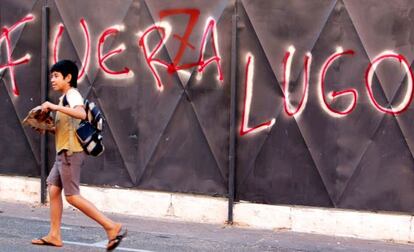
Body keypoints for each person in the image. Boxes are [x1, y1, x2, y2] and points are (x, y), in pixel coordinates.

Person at [31, 60, 126, 250]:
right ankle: (55, 235)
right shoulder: (63, 98)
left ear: (68, 77)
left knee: (72, 196)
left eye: (56, 76)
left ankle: (111, 226)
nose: (53, 80)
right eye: (52, 76)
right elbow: (67, 127)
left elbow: (81, 114)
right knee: (53, 188)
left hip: (70, 153)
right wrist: (46, 127)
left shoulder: (72, 95)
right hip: (63, 153)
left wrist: (54, 107)